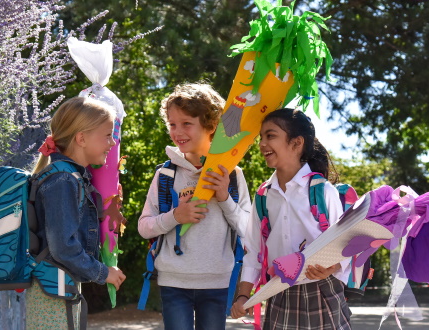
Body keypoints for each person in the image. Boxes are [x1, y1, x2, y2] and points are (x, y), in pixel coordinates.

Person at [138, 83, 251, 330]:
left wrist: (224, 198)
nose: (177, 131)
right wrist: (176, 216)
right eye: (172, 124)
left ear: (211, 126)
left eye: (186, 123)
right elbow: (145, 228)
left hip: (217, 283)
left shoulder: (231, 175)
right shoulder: (165, 174)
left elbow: (248, 230)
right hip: (173, 282)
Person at [231, 108, 351, 329]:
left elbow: (345, 246)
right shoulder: (263, 197)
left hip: (322, 290)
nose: (262, 144)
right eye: (261, 138)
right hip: (280, 292)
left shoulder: (323, 191)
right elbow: (254, 250)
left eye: (270, 135)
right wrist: (243, 295)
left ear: (296, 143)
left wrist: (331, 268)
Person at [26, 96, 126, 329]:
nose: (112, 143)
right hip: (52, 292)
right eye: (107, 135)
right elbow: (63, 247)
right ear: (81, 138)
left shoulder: (69, 177)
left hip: (57, 287)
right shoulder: (63, 180)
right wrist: (103, 273)